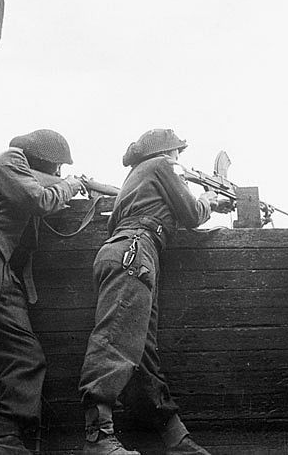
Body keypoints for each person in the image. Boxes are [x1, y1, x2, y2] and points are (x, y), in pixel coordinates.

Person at [78, 129, 230, 455]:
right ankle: (97, 439)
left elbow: (115, 225)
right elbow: (191, 214)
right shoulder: (162, 165)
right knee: (117, 340)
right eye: (178, 152)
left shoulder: (136, 178)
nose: (179, 158)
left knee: (141, 351)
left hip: (127, 251)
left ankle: (175, 438)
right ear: (168, 151)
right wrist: (209, 201)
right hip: (136, 252)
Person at [0, 129, 84, 455]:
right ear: (42, 161)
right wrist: (71, 185)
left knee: (24, 358)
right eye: (56, 168)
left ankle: (7, 443)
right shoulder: (10, 161)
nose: (59, 174)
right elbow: (40, 200)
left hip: (1, 267)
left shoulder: (22, 175)